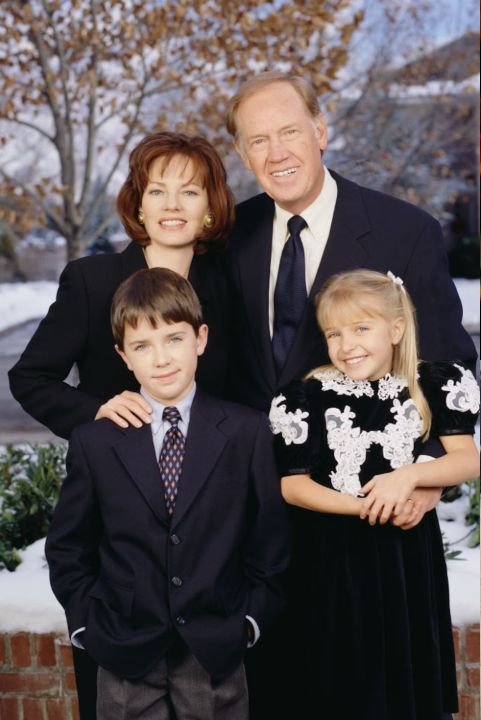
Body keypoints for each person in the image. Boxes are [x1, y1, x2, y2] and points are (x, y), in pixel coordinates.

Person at [8, 131, 233, 720]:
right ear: (137, 204)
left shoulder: (231, 288)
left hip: (212, 550)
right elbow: (31, 379)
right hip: (119, 543)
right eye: (157, 190)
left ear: (211, 206)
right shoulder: (91, 280)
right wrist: (98, 408)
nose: (173, 204)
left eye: (190, 190)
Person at [45, 268, 291, 720]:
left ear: (200, 338)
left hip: (215, 650)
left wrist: (249, 623)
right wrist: (86, 626)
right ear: (124, 356)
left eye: (174, 339)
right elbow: (68, 547)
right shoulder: (96, 442)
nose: (161, 359)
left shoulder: (245, 431)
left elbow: (269, 541)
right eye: (142, 346)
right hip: (124, 652)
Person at [266, 269, 480, 719]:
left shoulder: (432, 384)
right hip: (332, 562)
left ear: (396, 329)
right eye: (334, 333)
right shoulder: (305, 397)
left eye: (362, 328)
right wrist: (366, 506)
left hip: (407, 564)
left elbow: (468, 459)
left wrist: (409, 479)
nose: (347, 345)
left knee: (405, 686)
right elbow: (293, 485)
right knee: (342, 686)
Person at [222, 71, 476, 414]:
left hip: (372, 464)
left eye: (290, 132)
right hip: (246, 464)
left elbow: (448, 367)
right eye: (258, 141)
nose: (277, 154)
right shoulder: (227, 237)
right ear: (243, 155)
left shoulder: (407, 232)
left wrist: (421, 466)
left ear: (320, 131)